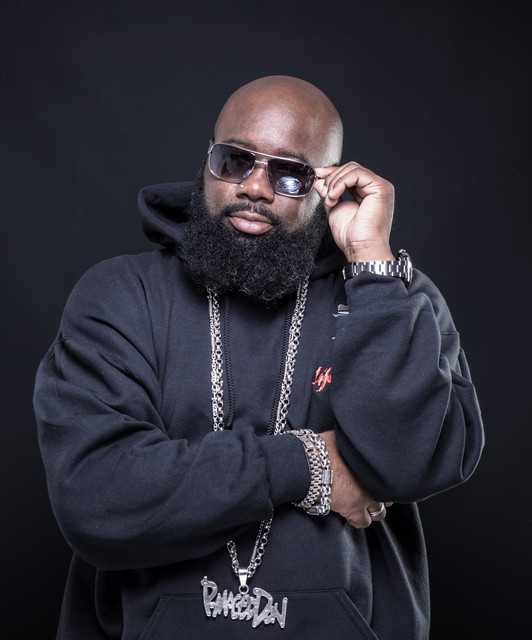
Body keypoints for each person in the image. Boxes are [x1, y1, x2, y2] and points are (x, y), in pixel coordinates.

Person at [34, 75, 484, 640]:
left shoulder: (395, 299)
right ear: (208, 161)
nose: (254, 187)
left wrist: (370, 263)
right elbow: (97, 498)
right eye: (235, 160)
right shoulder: (121, 296)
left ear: (327, 186)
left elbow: (410, 463)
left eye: (289, 173)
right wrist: (309, 464)